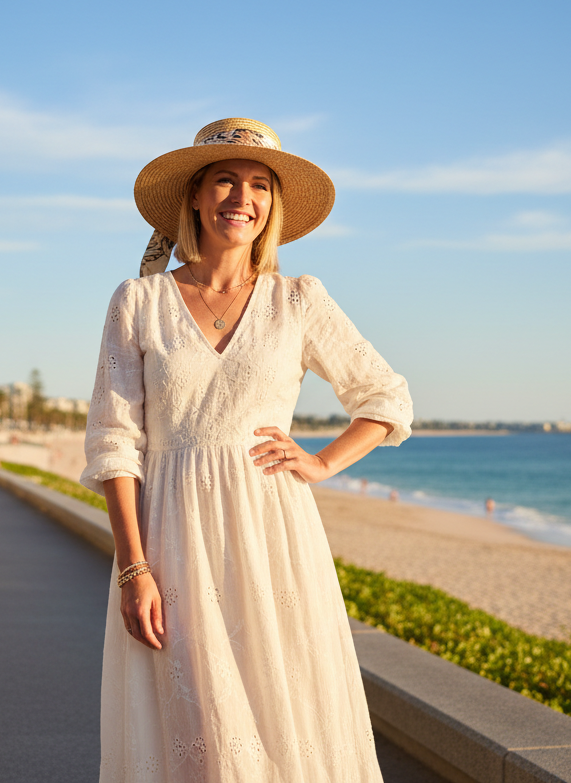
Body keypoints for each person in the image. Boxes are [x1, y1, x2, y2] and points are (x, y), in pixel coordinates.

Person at [82, 118, 412, 782]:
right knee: (198, 728)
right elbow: (116, 442)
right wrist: (133, 568)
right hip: (173, 540)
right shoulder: (139, 300)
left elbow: (385, 397)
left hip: (275, 542)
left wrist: (320, 462)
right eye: (226, 180)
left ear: (272, 206)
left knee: (282, 715)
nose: (242, 196)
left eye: (259, 184)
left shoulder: (299, 299)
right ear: (197, 196)